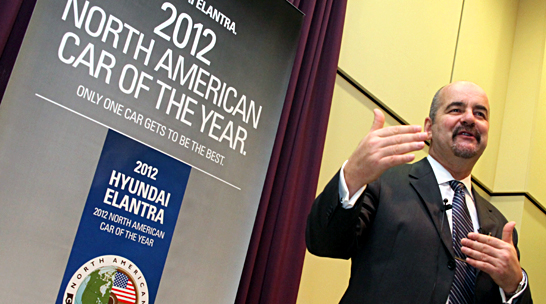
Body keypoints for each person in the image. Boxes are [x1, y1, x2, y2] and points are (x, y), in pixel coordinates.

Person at [306, 81, 532, 304]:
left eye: (480, 114)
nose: (470, 119)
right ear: (429, 128)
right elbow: (324, 243)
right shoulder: (383, 182)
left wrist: (515, 284)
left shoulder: (500, 228)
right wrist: (352, 175)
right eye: (456, 109)